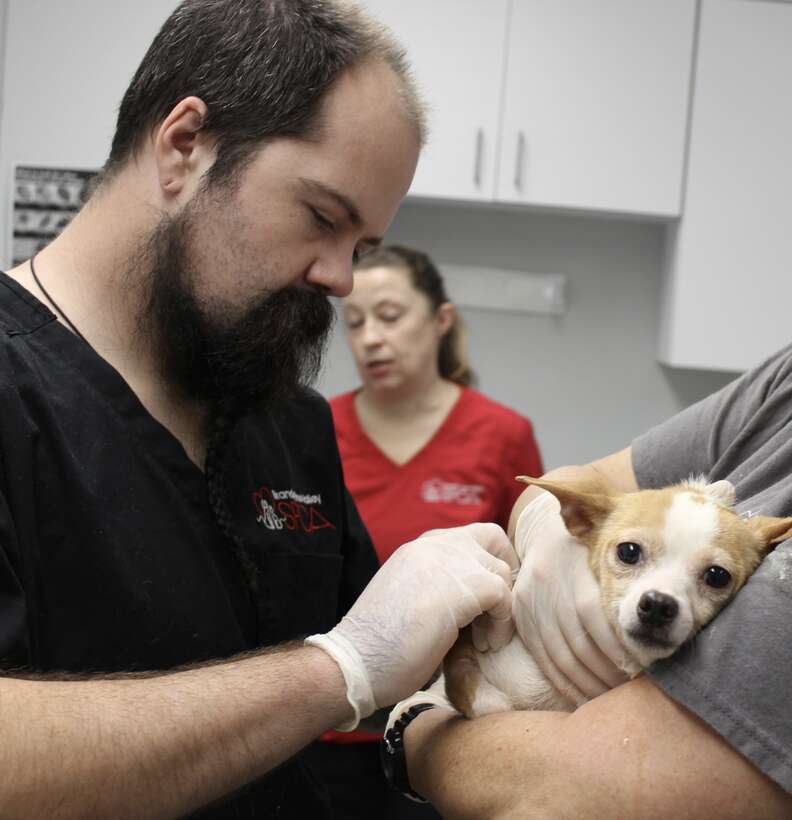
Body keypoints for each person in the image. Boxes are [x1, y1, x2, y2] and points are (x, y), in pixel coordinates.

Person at [0, 2, 521, 817]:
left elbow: (397, 671)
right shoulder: (17, 394)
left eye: (363, 248)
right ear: (184, 146)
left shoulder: (285, 421)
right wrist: (334, 671)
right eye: (322, 217)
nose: (342, 279)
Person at [391, 343, 792, 819]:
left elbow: (566, 797)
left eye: (715, 577)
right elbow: (595, 477)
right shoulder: (781, 383)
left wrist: (412, 729)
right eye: (630, 554)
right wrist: (541, 518)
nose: (660, 599)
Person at [305, 244, 544, 817]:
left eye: (389, 316)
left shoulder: (502, 435)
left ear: (440, 321)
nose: (370, 338)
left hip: (447, 720)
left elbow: (527, 579)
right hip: (327, 722)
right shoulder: (312, 428)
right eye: (355, 321)